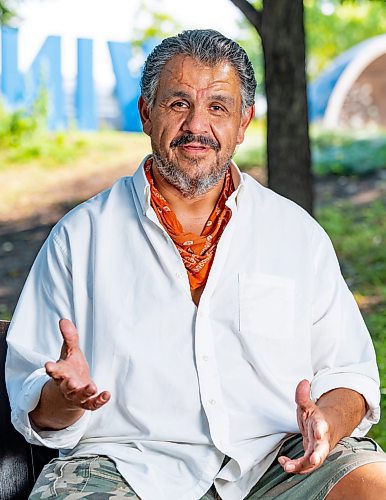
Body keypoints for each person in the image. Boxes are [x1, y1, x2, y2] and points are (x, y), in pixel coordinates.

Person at [5, 29, 386, 500]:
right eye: (178, 104)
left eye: (218, 107)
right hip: (123, 467)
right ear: (147, 113)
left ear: (244, 122)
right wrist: (65, 399)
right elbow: (33, 405)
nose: (197, 126)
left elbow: (350, 373)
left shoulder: (296, 233)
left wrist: (327, 423)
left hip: (276, 463)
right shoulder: (79, 237)